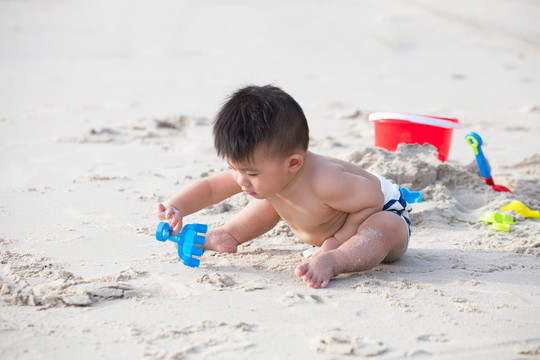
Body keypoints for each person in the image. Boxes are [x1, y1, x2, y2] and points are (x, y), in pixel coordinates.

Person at [156, 85, 411, 289]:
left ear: (293, 163)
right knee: (267, 193)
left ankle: (335, 262)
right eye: (235, 169)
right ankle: (229, 234)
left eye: (251, 172)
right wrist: (176, 206)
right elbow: (211, 188)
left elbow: (372, 199)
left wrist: (336, 243)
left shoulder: (327, 181)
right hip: (324, 218)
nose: (240, 179)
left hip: (382, 208)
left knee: (383, 227)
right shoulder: (269, 172)